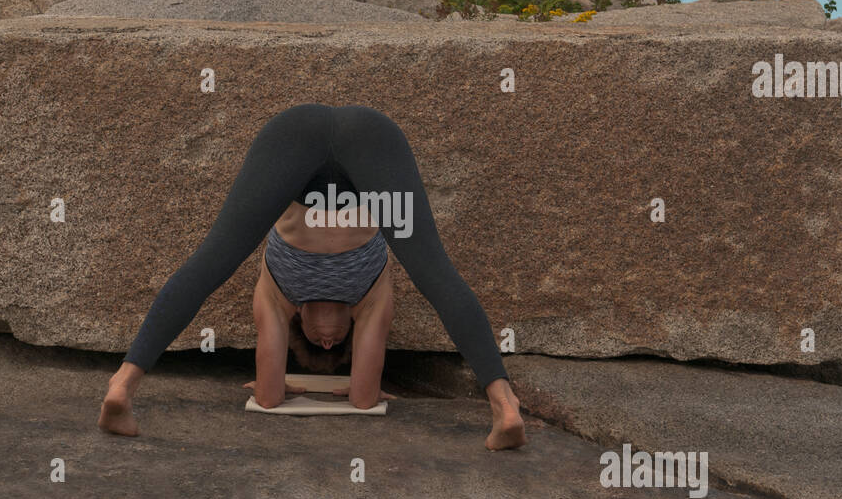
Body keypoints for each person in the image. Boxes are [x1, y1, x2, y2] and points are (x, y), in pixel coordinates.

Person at [98, 103, 526, 450]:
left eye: (322, 343)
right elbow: (361, 398)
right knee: (435, 272)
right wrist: (356, 389)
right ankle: (504, 404)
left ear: (300, 323)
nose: (328, 338)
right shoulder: (367, 292)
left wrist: (291, 382)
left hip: (295, 130)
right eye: (337, 344)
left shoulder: (282, 289)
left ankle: (123, 385)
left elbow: (269, 398)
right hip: (371, 134)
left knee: (213, 260)